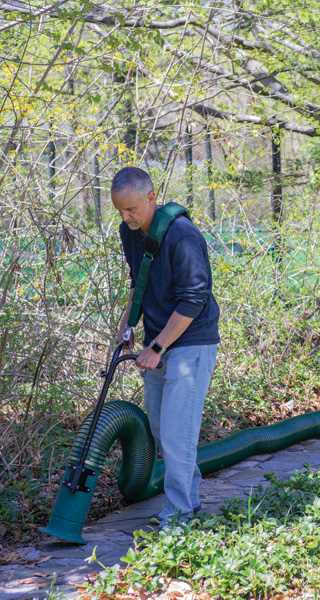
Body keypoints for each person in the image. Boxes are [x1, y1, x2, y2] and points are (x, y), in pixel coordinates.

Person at [111, 166, 220, 527]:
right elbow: (137, 283)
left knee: (177, 431)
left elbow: (193, 300)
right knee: (162, 430)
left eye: (132, 210)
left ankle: (179, 514)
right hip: (157, 341)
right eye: (120, 211)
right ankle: (188, 500)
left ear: (151, 197)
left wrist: (156, 347)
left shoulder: (183, 236)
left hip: (190, 341)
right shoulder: (131, 234)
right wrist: (128, 324)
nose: (127, 219)